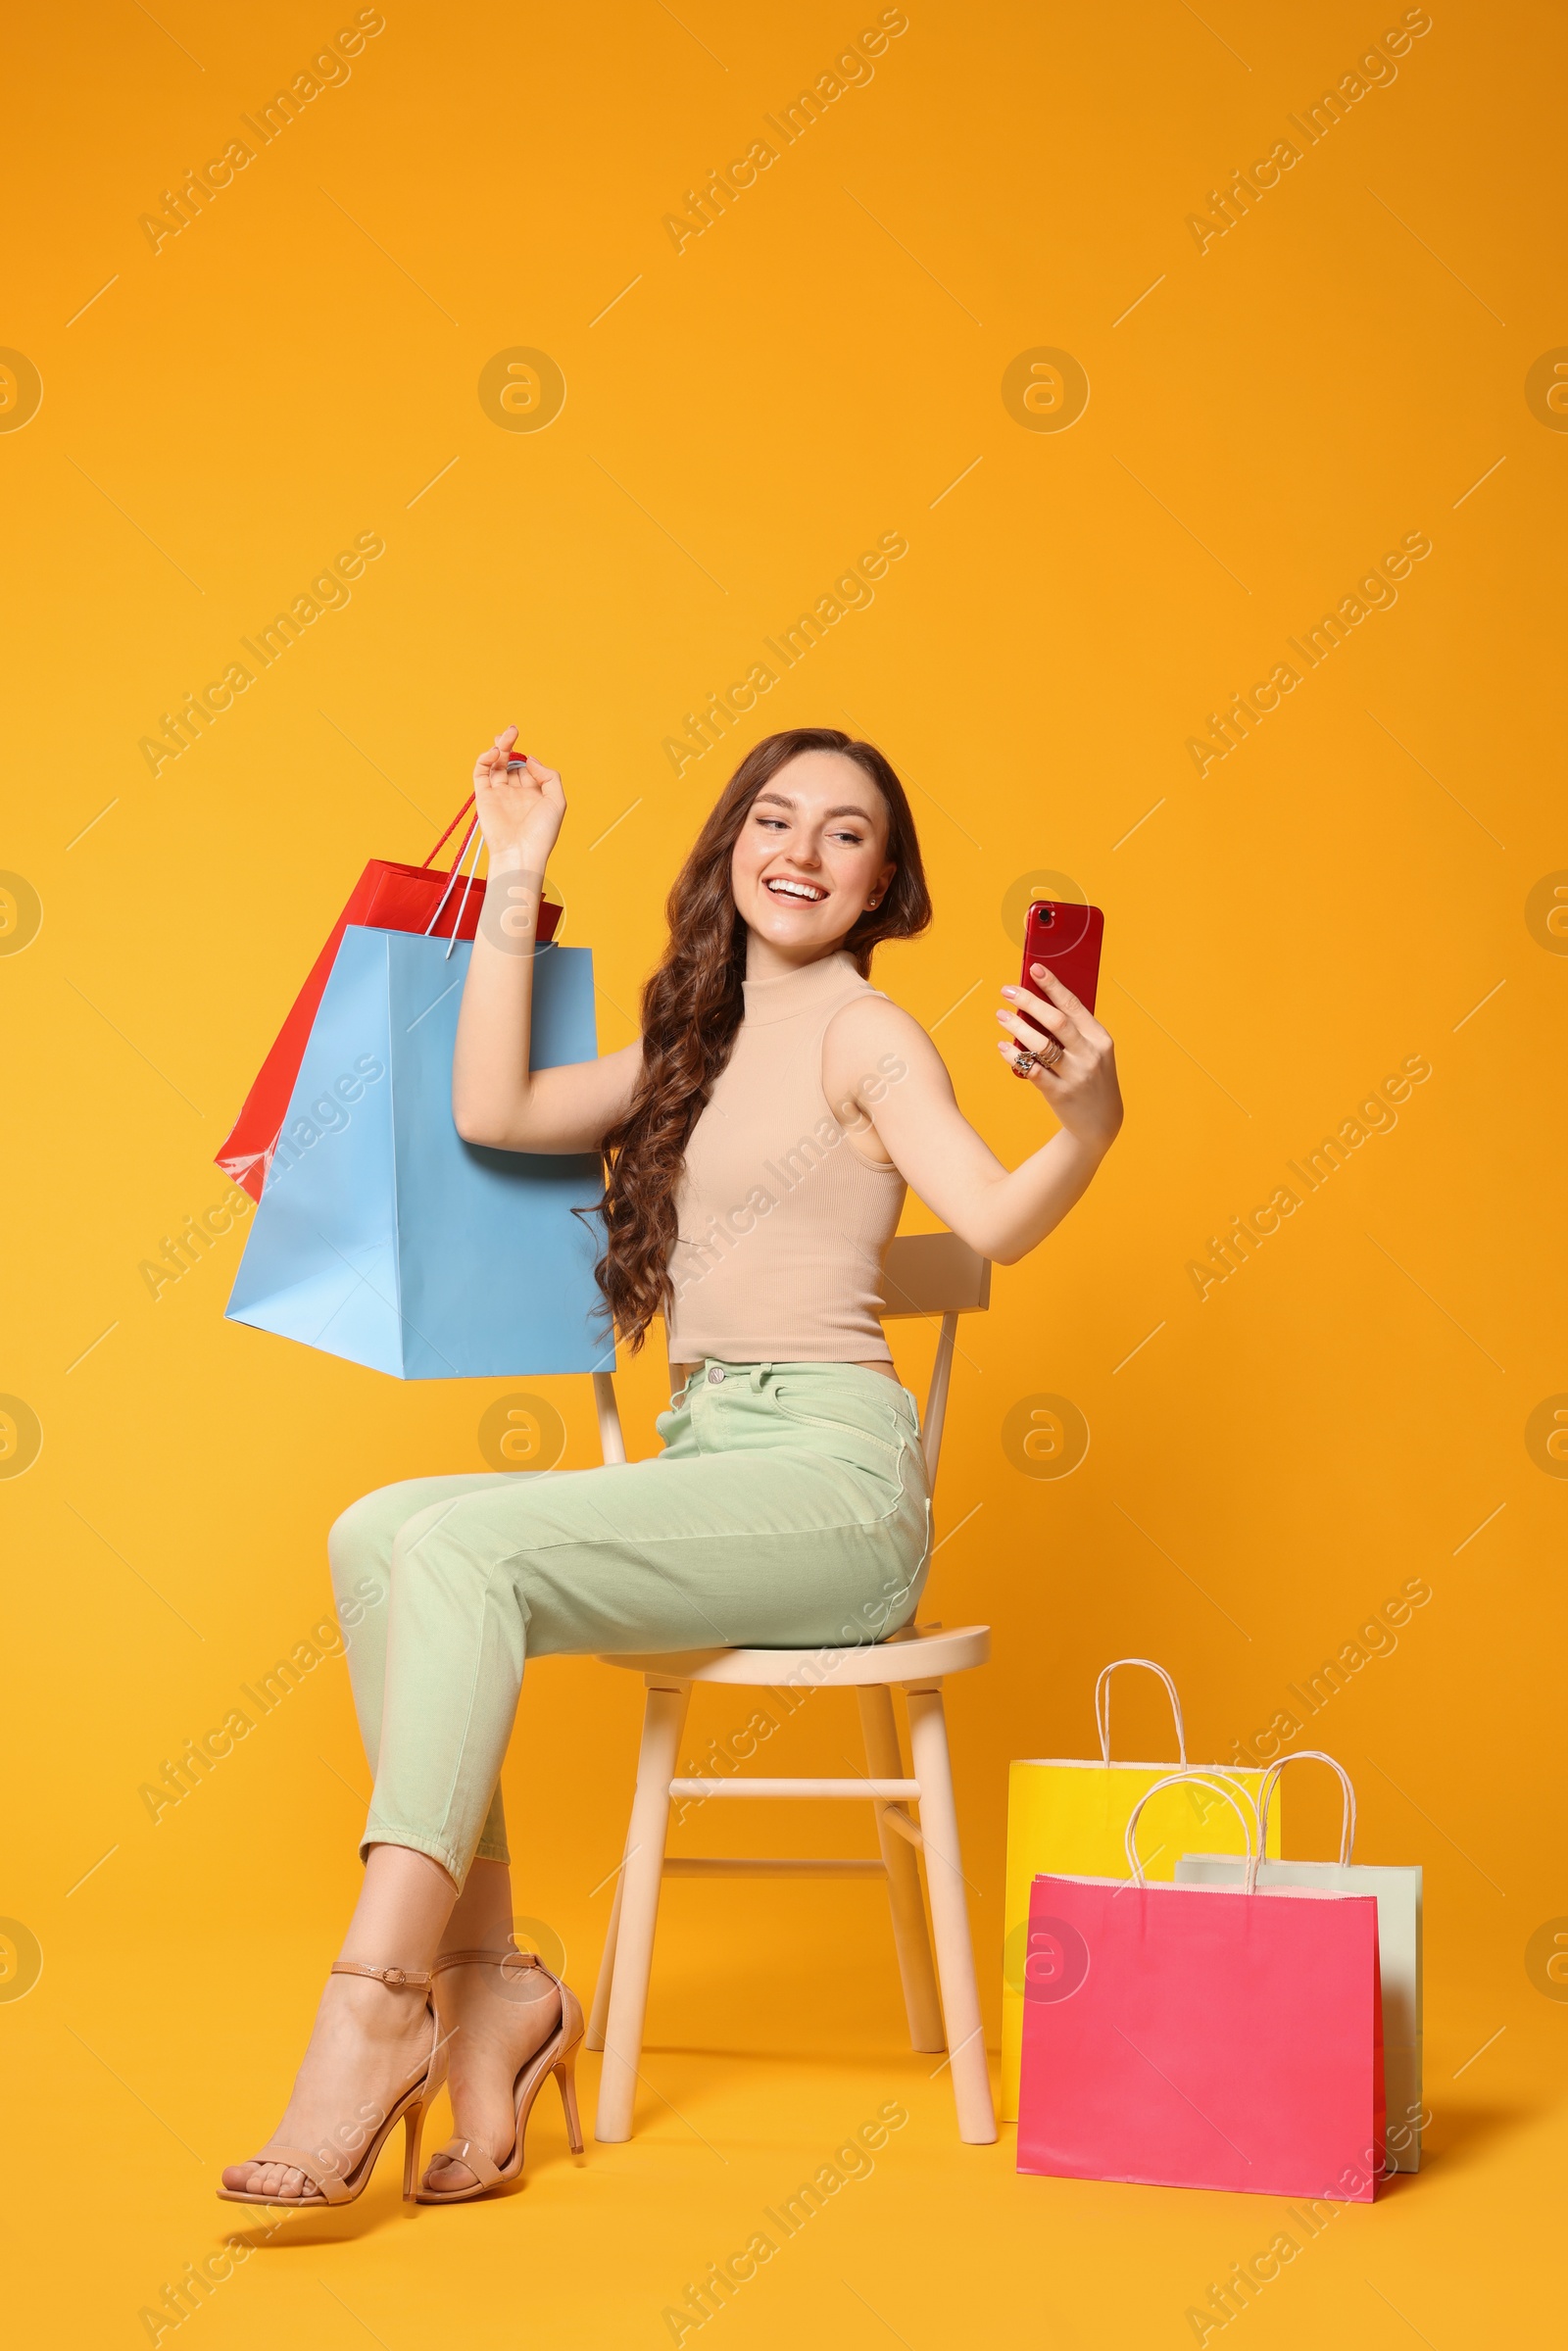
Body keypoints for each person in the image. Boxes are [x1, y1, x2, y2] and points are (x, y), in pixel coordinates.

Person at [220, 724, 1123, 2207]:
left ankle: (378, 1998)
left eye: (847, 833)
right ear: (727, 849)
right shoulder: (696, 1044)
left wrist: (1092, 1114)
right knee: (379, 1529)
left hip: (830, 1491)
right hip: (710, 1465)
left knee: (456, 1550)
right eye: (775, 818)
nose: (802, 851)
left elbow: (995, 1219)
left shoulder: (866, 1036)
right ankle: (494, 1988)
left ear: (888, 883)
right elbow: (494, 1112)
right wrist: (517, 866)